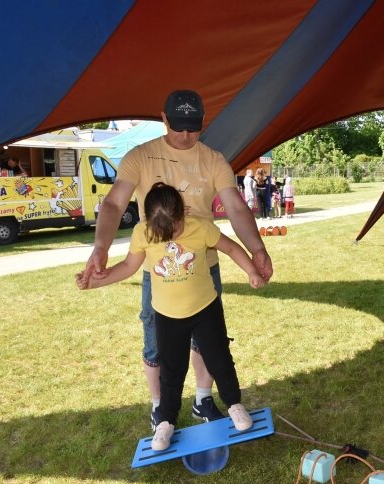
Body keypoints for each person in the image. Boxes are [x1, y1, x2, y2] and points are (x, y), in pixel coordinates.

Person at [80, 89, 273, 432]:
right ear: (164, 118)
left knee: (209, 342)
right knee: (158, 343)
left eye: (193, 128)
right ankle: (160, 407)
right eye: (178, 127)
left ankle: (203, 398)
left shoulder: (212, 160)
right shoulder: (141, 157)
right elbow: (112, 204)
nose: (185, 136)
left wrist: (256, 249)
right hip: (159, 272)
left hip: (204, 266)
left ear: (202, 123)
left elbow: (236, 207)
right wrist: (101, 248)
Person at [77, 183, 264, 450]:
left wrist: (251, 272)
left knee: (219, 359)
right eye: (159, 233)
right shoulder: (143, 232)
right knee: (172, 371)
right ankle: (166, 422)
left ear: (183, 213)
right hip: (167, 315)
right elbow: (130, 266)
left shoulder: (200, 227)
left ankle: (234, 405)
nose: (166, 237)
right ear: (148, 221)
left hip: (205, 309)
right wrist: (95, 283)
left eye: (172, 231)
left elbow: (231, 248)